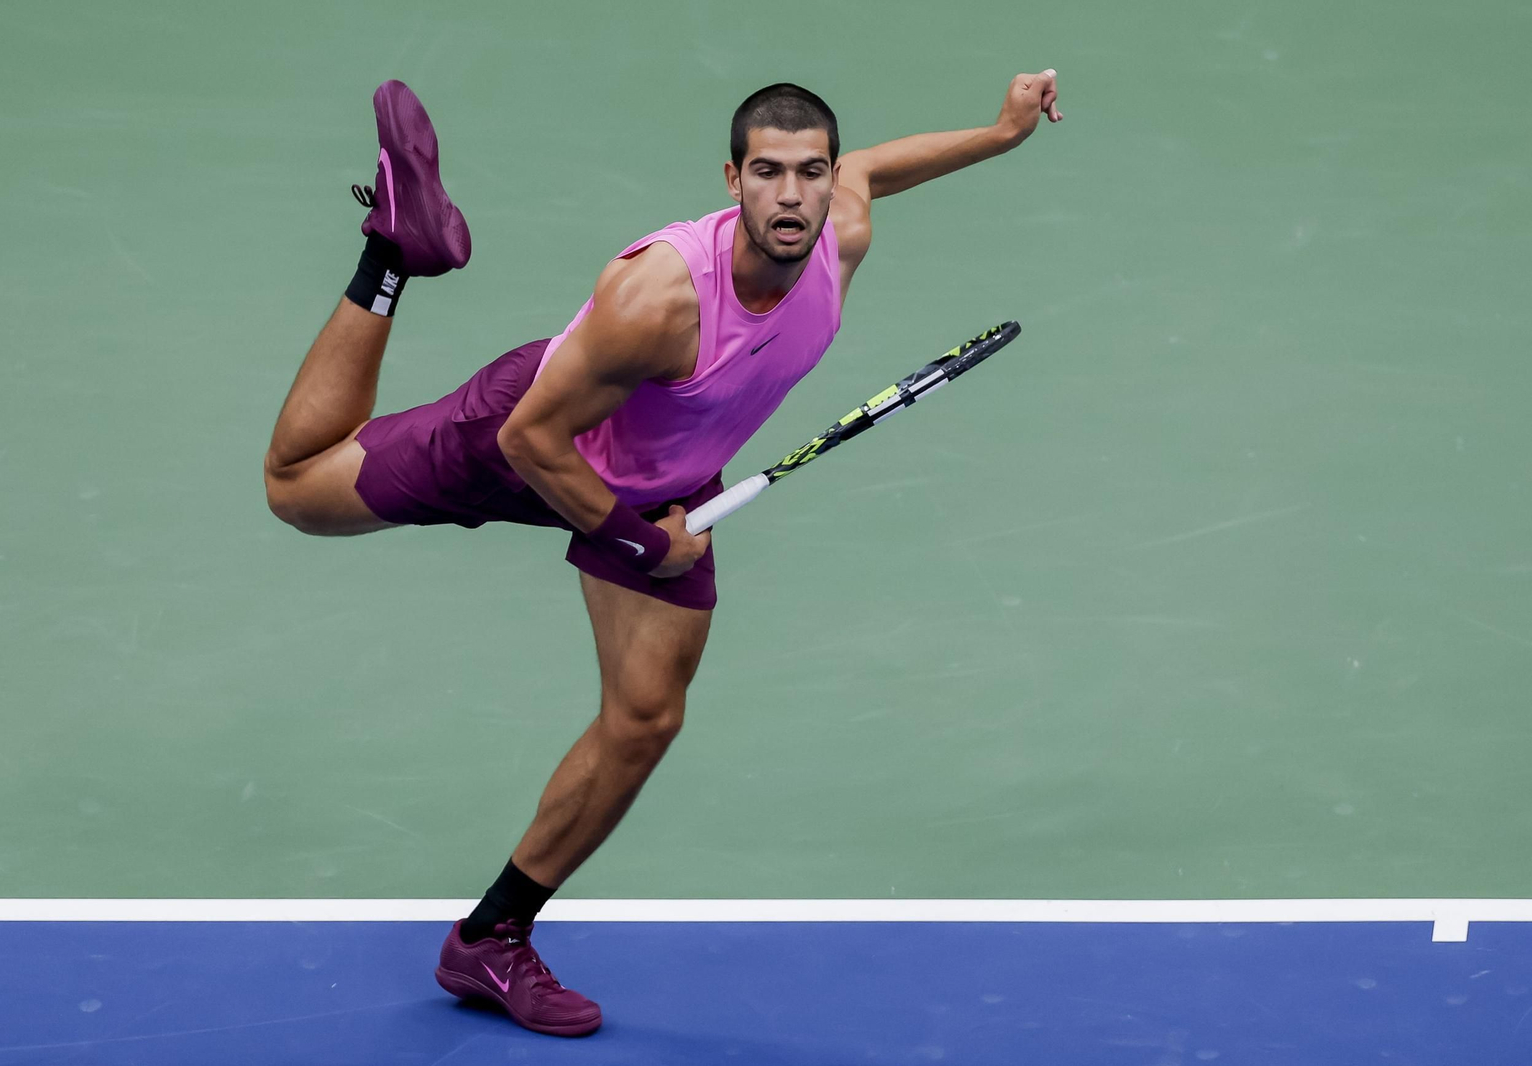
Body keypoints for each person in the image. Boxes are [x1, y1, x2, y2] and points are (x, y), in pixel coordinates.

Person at [262, 72, 1061, 1037]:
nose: (793, 195)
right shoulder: (659, 300)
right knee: (298, 490)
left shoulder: (837, 233)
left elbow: (880, 171)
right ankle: (391, 254)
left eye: (811, 172)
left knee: (644, 718)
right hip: (535, 438)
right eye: (768, 173)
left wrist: (1001, 133)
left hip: (668, 477)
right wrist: (644, 543)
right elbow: (530, 441)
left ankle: (490, 940)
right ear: (733, 180)